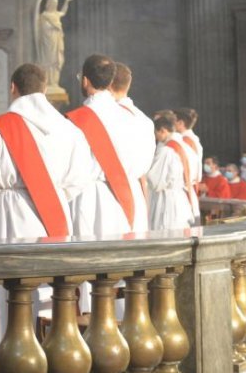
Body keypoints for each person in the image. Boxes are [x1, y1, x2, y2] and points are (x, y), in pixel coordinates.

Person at [0, 63, 93, 241]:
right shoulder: (69, 128)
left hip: (11, 212)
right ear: (44, 89)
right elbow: (79, 178)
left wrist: (2, 195)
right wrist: (52, 192)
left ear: (13, 87)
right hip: (54, 209)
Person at [69, 55, 153, 239]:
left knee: (91, 261)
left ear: (85, 80)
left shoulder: (76, 121)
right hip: (129, 195)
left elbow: (69, 170)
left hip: (91, 198)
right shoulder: (137, 119)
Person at [110, 61, 154, 232]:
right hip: (135, 190)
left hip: (112, 192)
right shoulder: (144, 120)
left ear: (109, 84)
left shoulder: (106, 117)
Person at [146, 113, 197, 230]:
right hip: (181, 195)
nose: (156, 137)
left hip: (166, 199)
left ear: (163, 130)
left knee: (165, 232)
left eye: (156, 133)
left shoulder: (166, 151)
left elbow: (155, 182)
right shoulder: (185, 145)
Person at [35, 0, 74, 89]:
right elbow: (42, 29)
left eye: (55, 4)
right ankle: (47, 82)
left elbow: (63, 12)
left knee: (57, 61)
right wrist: (54, 26)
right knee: (48, 61)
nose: (54, 5)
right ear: (48, 4)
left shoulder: (56, 14)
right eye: (52, 3)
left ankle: (54, 83)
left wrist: (67, 1)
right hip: (47, 42)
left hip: (57, 41)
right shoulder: (44, 15)